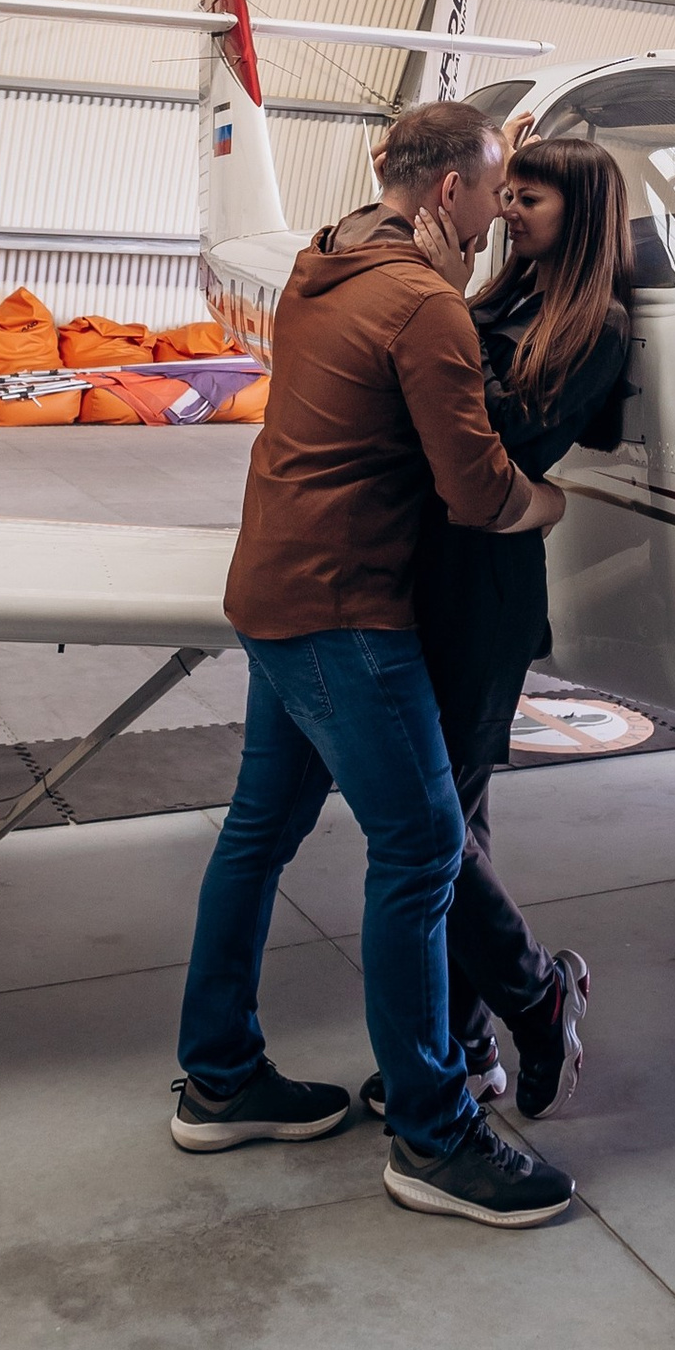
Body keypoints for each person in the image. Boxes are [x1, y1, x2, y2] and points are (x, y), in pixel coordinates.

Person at [171, 100, 579, 1229]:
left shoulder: (326, 256)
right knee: (425, 847)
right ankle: (434, 1135)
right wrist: (551, 502)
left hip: (271, 586)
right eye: (492, 188)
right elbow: (478, 492)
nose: (500, 213)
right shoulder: (425, 304)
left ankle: (219, 1076)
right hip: (345, 610)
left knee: (258, 834)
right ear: (449, 190)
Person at [365, 135, 630, 1130]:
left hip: (483, 591)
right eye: (506, 192)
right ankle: (470, 1047)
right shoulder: (493, 298)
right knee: (453, 821)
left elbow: (503, 437)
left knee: (430, 820)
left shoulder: (597, 328)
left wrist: (440, 302)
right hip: (423, 569)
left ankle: (533, 994)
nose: (508, 209)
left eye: (532, 198)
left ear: (582, 214)